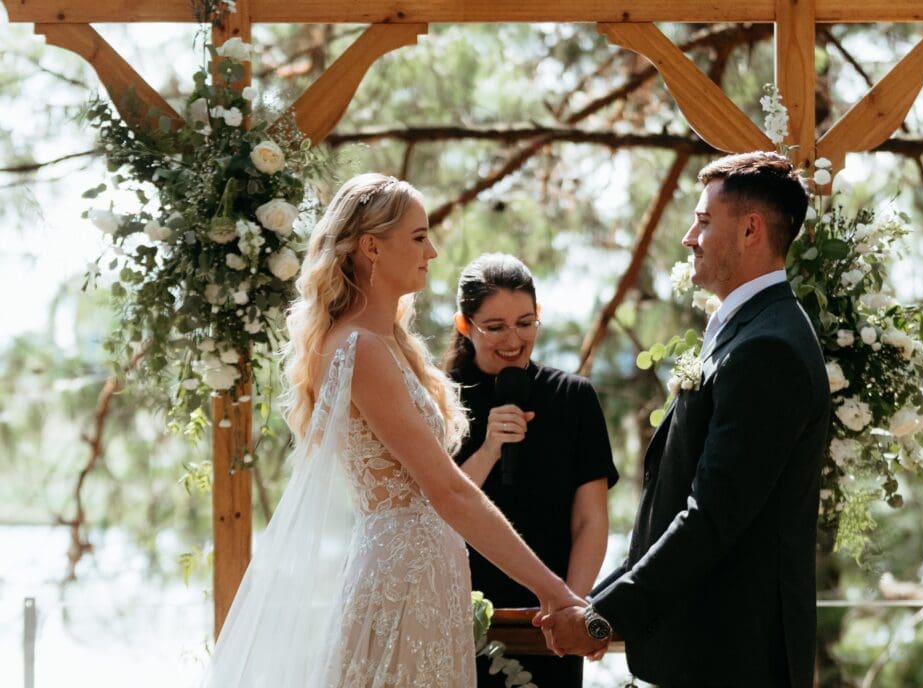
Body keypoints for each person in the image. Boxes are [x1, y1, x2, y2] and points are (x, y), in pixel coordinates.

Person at [199, 174, 581, 687]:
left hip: (424, 574)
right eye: (420, 237)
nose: (434, 251)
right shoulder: (361, 349)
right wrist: (552, 590)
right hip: (403, 585)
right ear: (372, 247)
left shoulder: (386, 342)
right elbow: (445, 490)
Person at [540, 151, 830, 688]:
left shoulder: (770, 349)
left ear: (749, 230)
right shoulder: (747, 331)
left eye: (702, 220)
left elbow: (711, 517)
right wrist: (599, 603)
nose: (688, 237)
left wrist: (605, 619)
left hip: (733, 659)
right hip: (702, 652)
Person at [442, 253, 619, 687]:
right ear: (465, 326)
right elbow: (436, 509)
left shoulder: (573, 397)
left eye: (525, 322)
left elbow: (590, 518)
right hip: (455, 613)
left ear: (539, 316)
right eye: (495, 327)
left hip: (550, 621)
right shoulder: (440, 400)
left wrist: (570, 608)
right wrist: (488, 448)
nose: (513, 339)